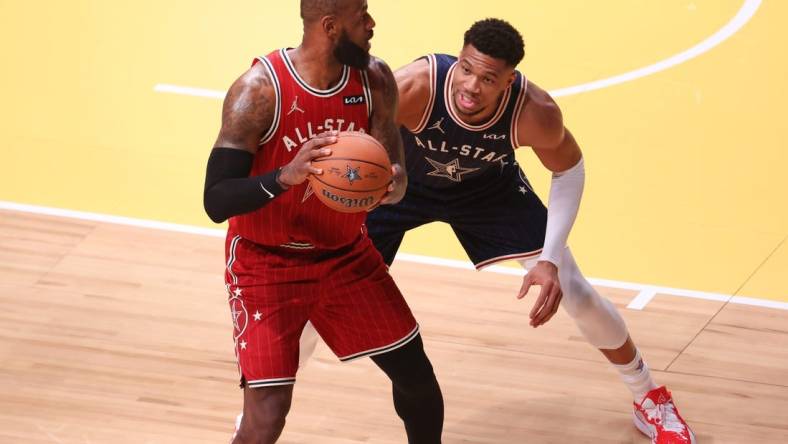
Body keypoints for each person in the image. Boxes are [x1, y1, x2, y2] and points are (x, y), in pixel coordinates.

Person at [364, 17, 694, 444]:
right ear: (458, 58)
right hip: (405, 184)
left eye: (488, 78)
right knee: (323, 284)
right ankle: (263, 410)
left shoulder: (534, 111)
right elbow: (360, 136)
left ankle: (649, 397)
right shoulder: (415, 87)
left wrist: (551, 259)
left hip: (488, 190)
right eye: (466, 68)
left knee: (574, 290)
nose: (470, 86)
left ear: (508, 81)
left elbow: (569, 169)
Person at [202, 1, 444, 442]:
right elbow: (216, 199)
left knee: (417, 377)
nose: (372, 25)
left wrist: (393, 184)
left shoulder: (375, 80)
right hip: (266, 265)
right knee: (268, 414)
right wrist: (284, 176)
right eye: (362, 16)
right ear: (331, 28)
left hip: (345, 258)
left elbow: (395, 170)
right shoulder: (259, 91)